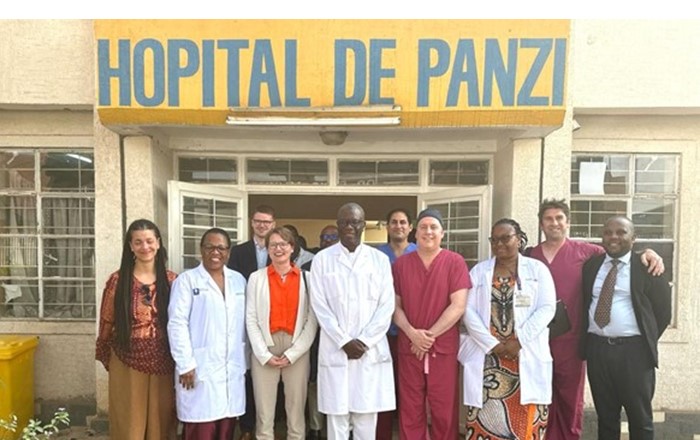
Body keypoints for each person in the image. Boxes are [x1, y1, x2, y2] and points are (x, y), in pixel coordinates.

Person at [526, 199, 665, 440]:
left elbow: (621, 252)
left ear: (568, 223)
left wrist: (649, 252)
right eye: (548, 218)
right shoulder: (530, 256)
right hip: (543, 341)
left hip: (578, 342)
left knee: (577, 402)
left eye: (559, 218)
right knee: (545, 398)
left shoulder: (587, 252)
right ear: (541, 223)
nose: (554, 223)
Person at [462, 218, 556, 439]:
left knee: (526, 424)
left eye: (506, 238)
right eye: (494, 240)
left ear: (520, 239)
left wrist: (519, 340)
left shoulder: (537, 270)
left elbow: (547, 308)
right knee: (485, 420)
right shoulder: (479, 271)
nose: (499, 244)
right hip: (488, 360)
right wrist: (492, 344)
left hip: (526, 353)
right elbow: (467, 311)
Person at [310, 203, 396, 440]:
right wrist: (344, 341)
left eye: (355, 222)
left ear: (363, 225)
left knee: (366, 418)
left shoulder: (379, 260)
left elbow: (386, 306)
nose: (350, 227)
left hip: (369, 351)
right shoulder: (322, 260)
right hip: (336, 349)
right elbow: (320, 306)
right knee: (336, 420)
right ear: (338, 226)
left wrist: (364, 341)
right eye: (344, 222)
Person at [581, 216, 671, 440]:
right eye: (608, 232)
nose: (614, 237)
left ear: (634, 237)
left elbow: (662, 313)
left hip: (634, 354)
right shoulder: (592, 265)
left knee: (640, 419)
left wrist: (642, 340)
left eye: (621, 232)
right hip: (598, 351)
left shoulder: (648, 266)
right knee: (606, 417)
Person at [95, 219, 178, 440]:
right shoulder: (118, 280)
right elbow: (106, 321)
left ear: (158, 243)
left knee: (161, 417)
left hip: (164, 358)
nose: (145, 247)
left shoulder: (172, 280)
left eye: (149, 241)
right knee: (130, 419)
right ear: (130, 246)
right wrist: (105, 354)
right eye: (138, 242)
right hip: (126, 357)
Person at [393, 208, 471, 440]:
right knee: (410, 408)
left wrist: (427, 337)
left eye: (433, 227)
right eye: (424, 227)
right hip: (409, 346)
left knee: (443, 409)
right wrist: (411, 333)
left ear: (442, 233)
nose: (428, 232)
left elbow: (458, 306)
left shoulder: (455, 262)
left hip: (442, 346)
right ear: (415, 233)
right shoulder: (401, 265)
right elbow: (394, 307)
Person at [168, 228, 248, 440]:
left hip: (231, 367)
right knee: (201, 429)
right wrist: (185, 364)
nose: (215, 252)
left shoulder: (239, 280)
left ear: (228, 252)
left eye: (221, 248)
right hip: (198, 368)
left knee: (226, 429)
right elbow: (176, 324)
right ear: (201, 250)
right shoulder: (187, 281)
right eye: (210, 247)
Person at [246, 227, 318, 440]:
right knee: (264, 413)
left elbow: (312, 319)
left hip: (296, 346)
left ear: (292, 248)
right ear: (267, 249)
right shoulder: (256, 278)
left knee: (296, 412)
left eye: (283, 244)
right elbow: (250, 318)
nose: (278, 249)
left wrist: (294, 353)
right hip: (265, 346)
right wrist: (263, 354)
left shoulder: (308, 278)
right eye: (273, 245)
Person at [228, 204, 277, 439]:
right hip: (244, 318)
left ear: (273, 224)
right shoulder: (238, 252)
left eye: (267, 222)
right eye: (258, 221)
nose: (262, 225)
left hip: (274, 320)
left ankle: (270, 424)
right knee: (248, 373)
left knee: (271, 373)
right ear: (251, 223)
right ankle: (247, 427)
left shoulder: (279, 250)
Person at [375, 208, 417, 440]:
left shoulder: (420, 253)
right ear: (388, 226)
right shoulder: (377, 255)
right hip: (383, 334)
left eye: (403, 222)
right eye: (394, 222)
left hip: (412, 334)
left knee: (409, 391)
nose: (398, 226)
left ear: (410, 227)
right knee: (382, 388)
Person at [301, 225, 339, 440]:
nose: (328, 240)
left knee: (337, 381)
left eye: (333, 237)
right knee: (314, 381)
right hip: (314, 334)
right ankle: (315, 427)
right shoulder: (308, 267)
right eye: (325, 237)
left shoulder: (346, 264)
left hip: (342, 335)